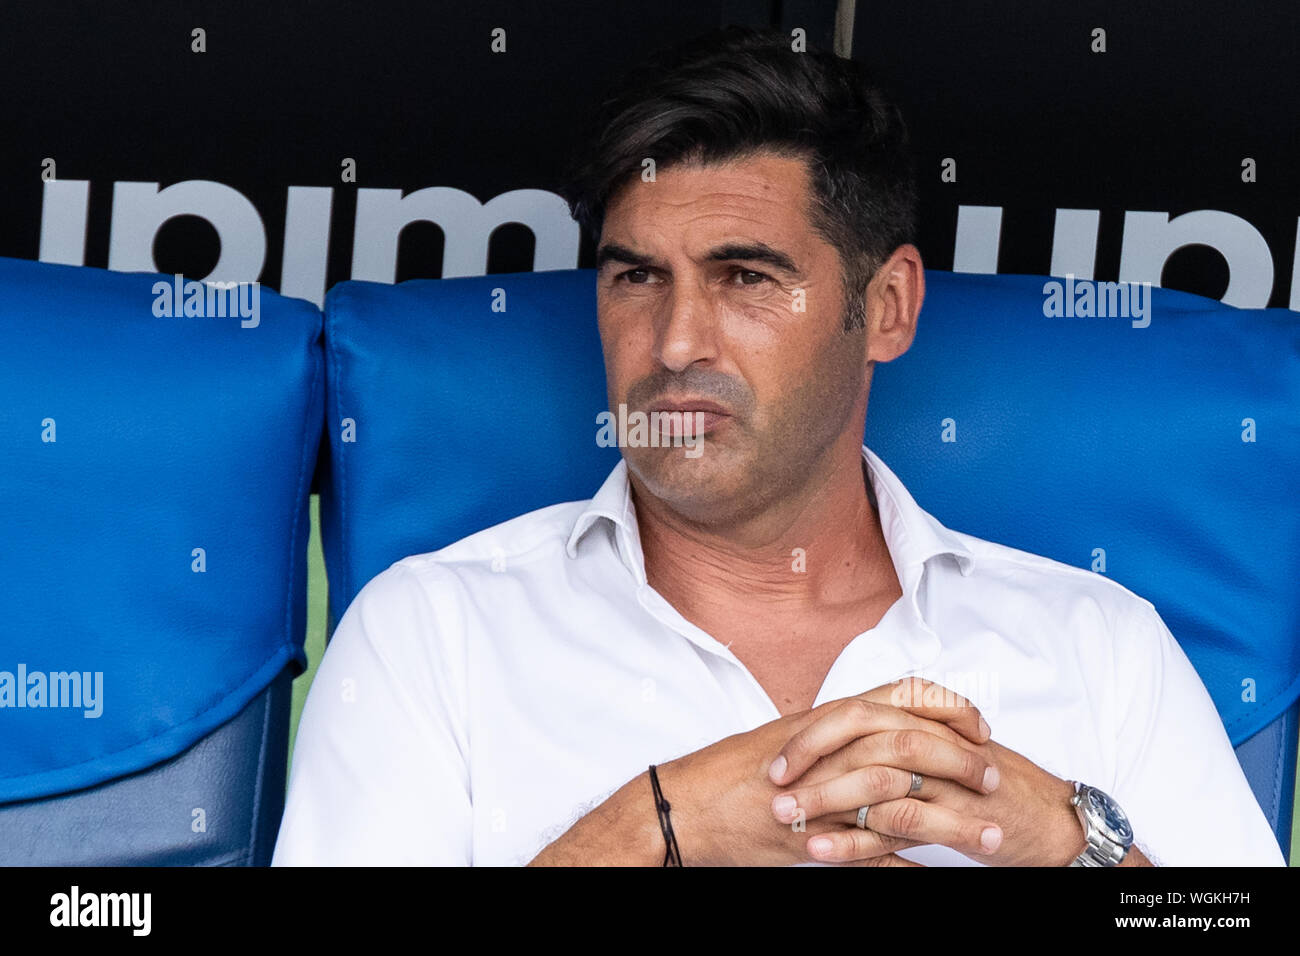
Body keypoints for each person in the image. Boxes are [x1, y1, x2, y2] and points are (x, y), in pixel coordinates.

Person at [272, 27, 1284, 867]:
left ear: (884, 307)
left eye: (744, 277)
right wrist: (649, 829)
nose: (674, 343)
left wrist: (1069, 841)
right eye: (635, 277)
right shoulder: (432, 632)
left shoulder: (1095, 640)